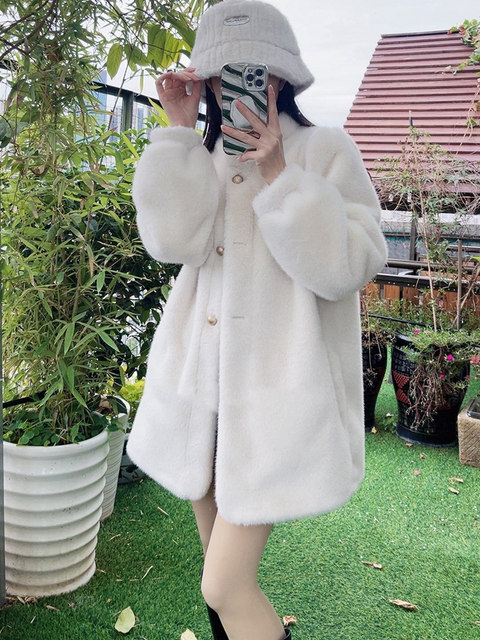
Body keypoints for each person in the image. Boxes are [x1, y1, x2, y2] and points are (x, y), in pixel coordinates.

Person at [127, 1, 388, 639]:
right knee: (217, 583)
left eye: (253, 72)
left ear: (281, 77)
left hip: (273, 401)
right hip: (201, 393)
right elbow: (172, 243)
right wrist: (179, 132)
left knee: (224, 584)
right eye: (222, 75)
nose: (237, 87)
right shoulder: (206, 153)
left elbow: (350, 266)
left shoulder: (324, 150)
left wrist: (278, 173)